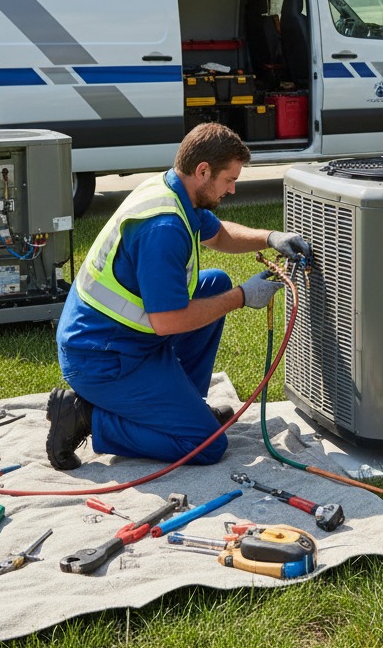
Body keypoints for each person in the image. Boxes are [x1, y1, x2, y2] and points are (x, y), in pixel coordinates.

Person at [46, 122, 311, 471]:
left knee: (214, 282)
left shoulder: (174, 188)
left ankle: (184, 408)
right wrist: (243, 296)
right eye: (229, 180)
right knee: (205, 445)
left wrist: (270, 236)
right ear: (203, 171)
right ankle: (85, 416)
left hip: (122, 337)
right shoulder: (164, 227)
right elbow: (169, 321)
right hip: (102, 358)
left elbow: (218, 234)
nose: (232, 190)